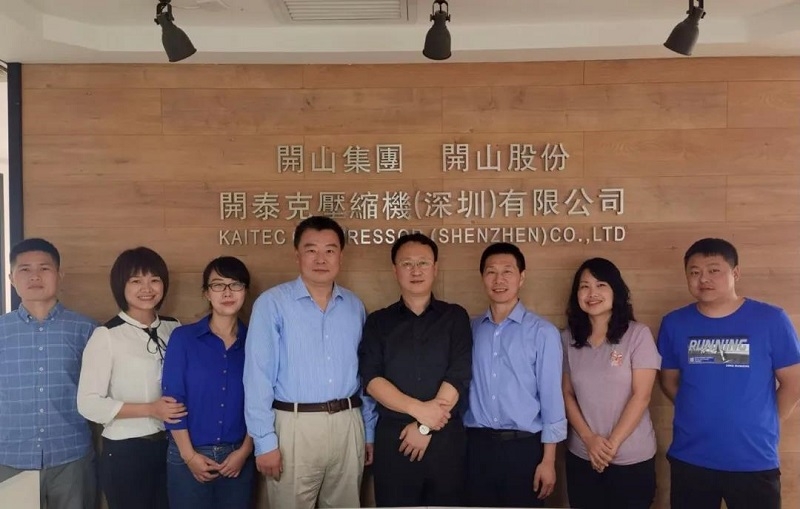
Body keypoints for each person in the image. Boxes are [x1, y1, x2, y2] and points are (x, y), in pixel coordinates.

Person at [244, 216, 376, 509]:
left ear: (340, 256)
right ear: (297, 255)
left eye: (329, 250)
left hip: (347, 424)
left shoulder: (354, 306)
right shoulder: (272, 303)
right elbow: (257, 376)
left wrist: (369, 431)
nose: (320, 259)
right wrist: (264, 441)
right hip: (293, 427)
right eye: (311, 250)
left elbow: (364, 376)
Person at [658, 238, 800, 509]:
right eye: (694, 272)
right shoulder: (674, 323)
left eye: (714, 270)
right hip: (691, 457)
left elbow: (794, 383)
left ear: (735, 273)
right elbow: (669, 381)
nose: (703, 279)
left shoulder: (771, 319)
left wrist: (762, 419)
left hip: (753, 459)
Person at [358, 233, 472, 507]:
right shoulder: (378, 322)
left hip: (445, 440)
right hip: (395, 441)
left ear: (435, 268)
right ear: (395, 270)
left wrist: (424, 427)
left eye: (423, 263)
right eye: (407, 264)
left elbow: (458, 374)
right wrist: (420, 413)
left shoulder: (455, 316)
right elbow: (372, 379)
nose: (415, 270)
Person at [77, 247, 184, 509]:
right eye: (136, 281)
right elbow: (88, 404)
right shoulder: (107, 335)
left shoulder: (174, 327)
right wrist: (151, 409)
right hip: (126, 452)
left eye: (154, 280)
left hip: (174, 447)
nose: (147, 288)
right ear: (120, 286)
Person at [463, 242, 565, 508]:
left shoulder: (542, 332)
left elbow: (552, 399)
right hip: (477, 447)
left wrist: (548, 461)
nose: (499, 280)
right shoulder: (470, 330)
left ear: (522, 277)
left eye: (507, 271)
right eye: (491, 272)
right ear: (482, 277)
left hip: (524, 449)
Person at [0, 238, 97, 509]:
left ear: (59, 275)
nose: (35, 276)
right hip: (10, 458)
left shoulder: (87, 330)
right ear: (11, 278)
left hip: (71, 458)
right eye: (25, 269)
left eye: (44, 268)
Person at [562, 257, 660, 509]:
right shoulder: (567, 339)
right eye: (584, 286)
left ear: (616, 291)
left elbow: (642, 396)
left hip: (631, 459)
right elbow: (566, 393)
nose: (592, 293)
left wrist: (610, 445)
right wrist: (589, 440)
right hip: (582, 455)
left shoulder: (637, 334)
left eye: (601, 285)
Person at [162, 256, 255, 509]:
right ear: (206, 293)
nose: (227, 292)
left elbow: (262, 402)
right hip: (187, 454)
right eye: (218, 285)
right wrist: (189, 456)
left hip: (238, 457)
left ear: (245, 291)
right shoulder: (183, 338)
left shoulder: (256, 342)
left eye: (235, 284)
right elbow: (173, 401)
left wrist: (244, 452)